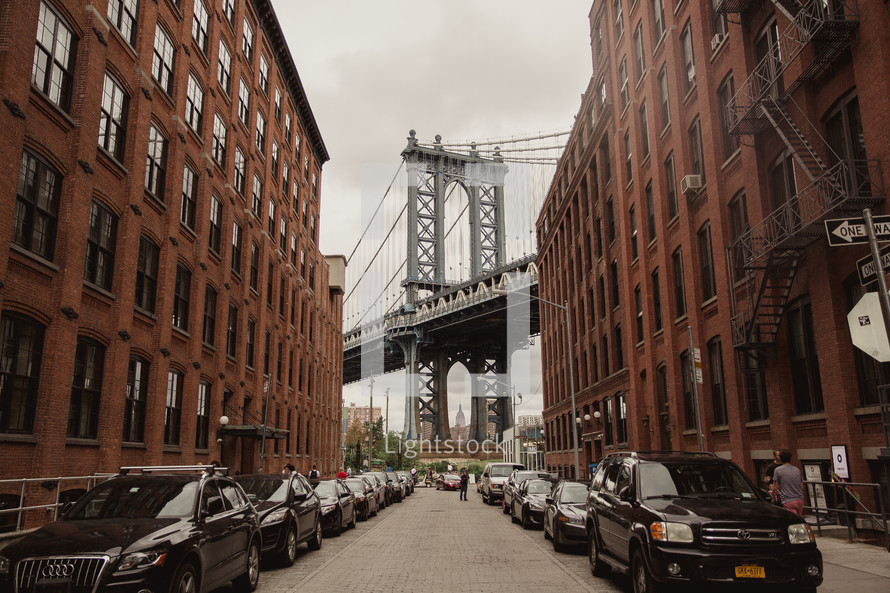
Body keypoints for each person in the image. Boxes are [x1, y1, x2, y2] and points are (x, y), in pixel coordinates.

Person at [772, 449, 805, 515]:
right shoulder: (797, 470)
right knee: (798, 520)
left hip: (788, 501)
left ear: (781, 458)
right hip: (800, 500)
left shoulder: (778, 470)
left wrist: (773, 499)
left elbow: (774, 488)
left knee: (791, 521)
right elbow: (802, 486)